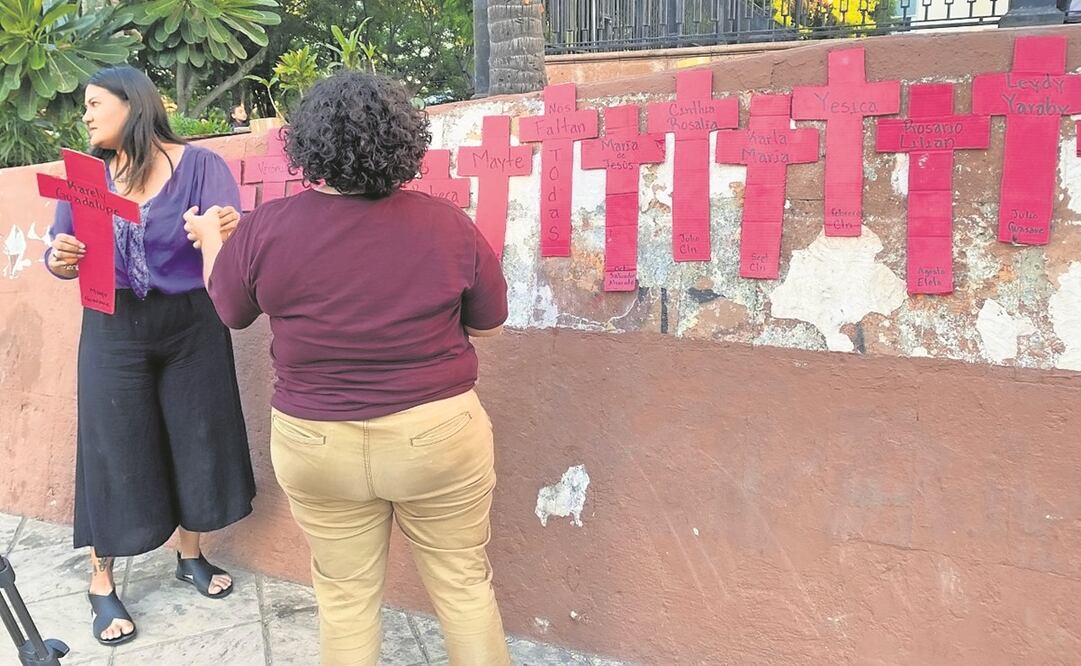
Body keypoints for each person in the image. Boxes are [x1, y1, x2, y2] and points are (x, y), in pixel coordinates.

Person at [183, 71, 512, 666]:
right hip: (435, 434)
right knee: (463, 588)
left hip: (315, 441)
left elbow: (230, 311)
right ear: (403, 141)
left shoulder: (263, 229)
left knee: (345, 598)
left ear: (309, 144)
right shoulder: (447, 224)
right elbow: (488, 325)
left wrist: (211, 239)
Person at [45, 66, 256, 646]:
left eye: (94, 103)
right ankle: (100, 581)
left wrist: (224, 227)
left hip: (192, 322)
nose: (85, 115)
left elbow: (224, 234)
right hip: (112, 325)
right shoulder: (87, 178)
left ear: (133, 104)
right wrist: (59, 259)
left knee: (197, 435)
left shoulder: (202, 167)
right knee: (112, 445)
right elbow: (60, 252)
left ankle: (190, 555)